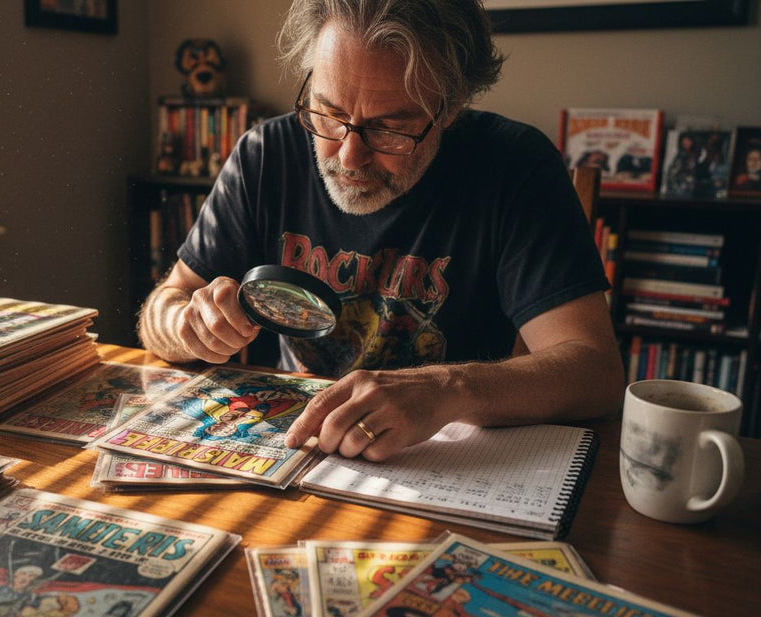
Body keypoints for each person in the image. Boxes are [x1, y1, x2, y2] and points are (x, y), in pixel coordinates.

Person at [137, 0, 623, 461]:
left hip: (446, 461)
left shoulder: (515, 167)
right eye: (329, 113)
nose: (349, 157)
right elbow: (165, 304)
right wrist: (186, 327)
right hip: (296, 448)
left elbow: (595, 371)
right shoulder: (264, 156)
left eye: (389, 129)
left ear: (450, 108)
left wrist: (446, 390)